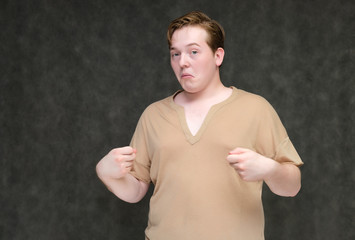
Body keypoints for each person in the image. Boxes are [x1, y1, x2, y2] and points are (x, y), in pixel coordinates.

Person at [96, 11, 303, 240]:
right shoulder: (153, 115)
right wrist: (106, 173)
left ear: (218, 56)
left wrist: (269, 169)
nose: (182, 62)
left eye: (193, 52)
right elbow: (135, 191)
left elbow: (292, 186)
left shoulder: (256, 109)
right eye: (175, 54)